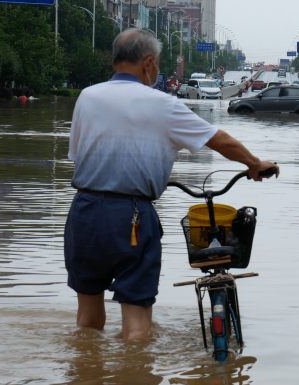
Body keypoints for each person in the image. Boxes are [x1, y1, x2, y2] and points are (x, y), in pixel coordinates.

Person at [65, 29, 279, 341]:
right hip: (132, 216)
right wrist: (254, 164)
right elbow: (218, 140)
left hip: (83, 213)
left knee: (87, 320)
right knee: (136, 325)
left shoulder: (87, 96)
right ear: (147, 63)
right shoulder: (163, 104)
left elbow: (77, 154)